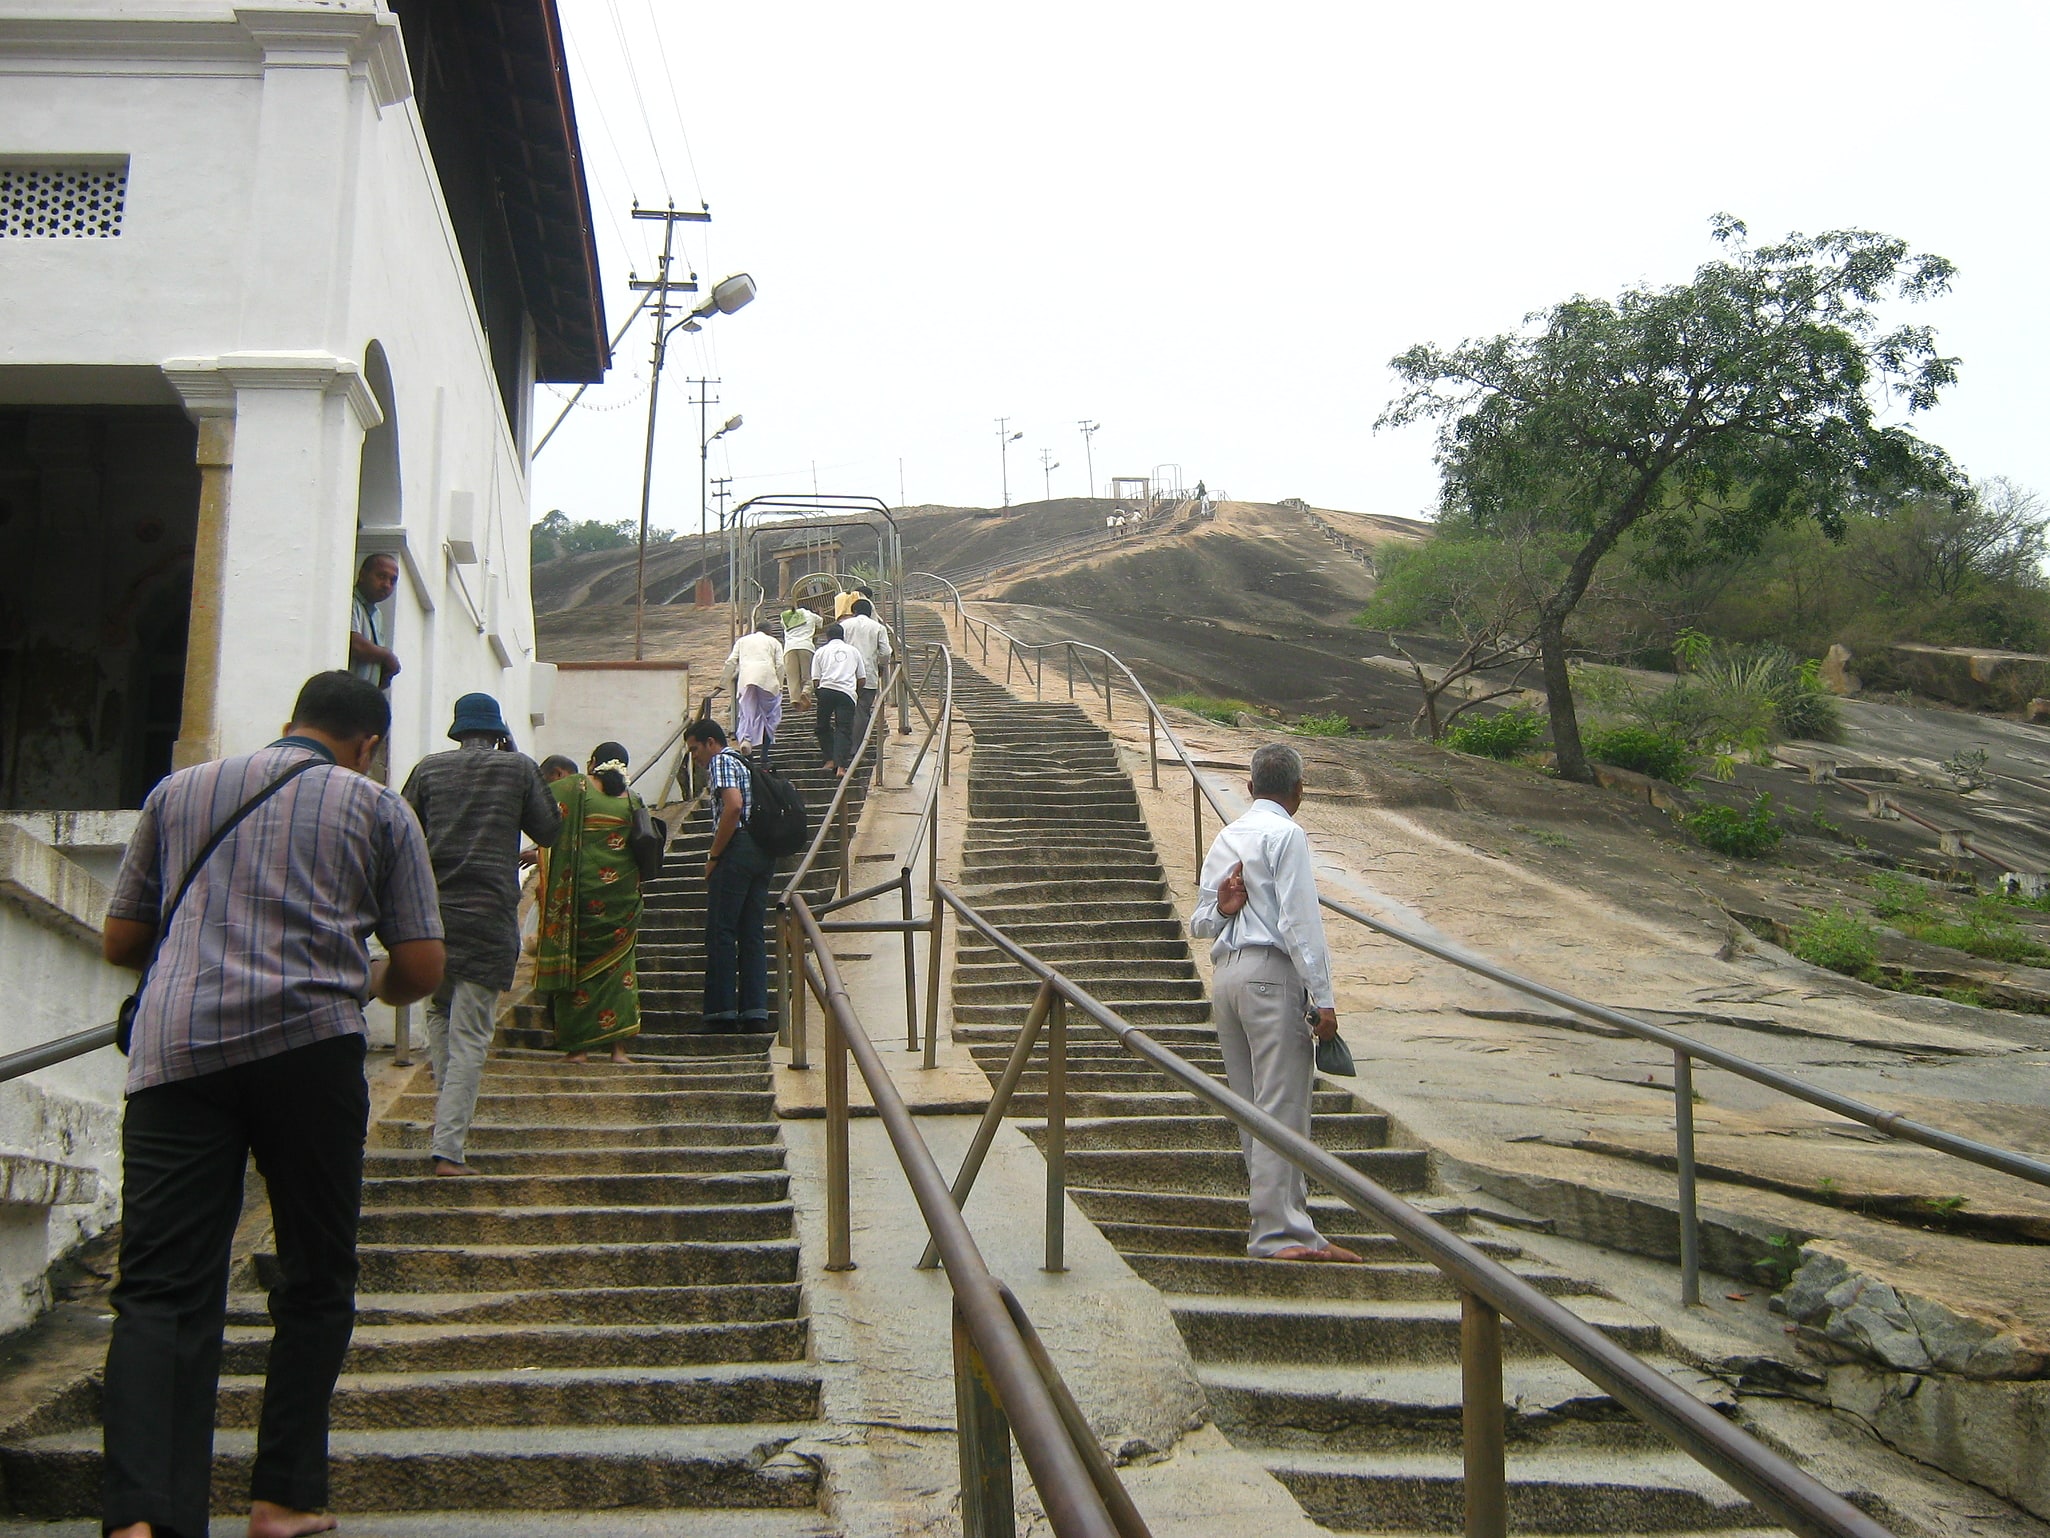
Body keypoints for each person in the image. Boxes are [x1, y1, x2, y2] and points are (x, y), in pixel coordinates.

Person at [98, 670, 446, 1538]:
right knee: (315, 1276)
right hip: (309, 1051)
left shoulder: (180, 792)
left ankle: (144, 1516)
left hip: (176, 1053)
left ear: (289, 721)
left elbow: (121, 940)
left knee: (159, 1289)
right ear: (368, 744)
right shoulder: (376, 808)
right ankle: (283, 1499)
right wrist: (356, 974)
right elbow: (423, 968)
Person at [1189, 743, 1363, 1265]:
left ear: (1249, 787)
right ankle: (1280, 1232)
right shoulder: (1287, 834)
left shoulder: (1227, 834)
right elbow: (1298, 923)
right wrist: (1325, 998)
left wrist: (1224, 907)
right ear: (1298, 790)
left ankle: (1281, 1225)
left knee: (1250, 1108)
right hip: (1271, 976)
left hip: (1227, 978)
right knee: (1283, 1105)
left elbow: (1201, 922)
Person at [400, 694, 562, 1178]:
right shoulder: (517, 769)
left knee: (440, 1012)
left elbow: (403, 828)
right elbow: (549, 830)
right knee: (472, 1033)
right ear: (498, 731)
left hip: (433, 916)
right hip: (488, 917)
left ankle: (447, 1123)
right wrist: (513, 755)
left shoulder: (428, 771)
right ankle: (449, 1149)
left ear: (457, 730)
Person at [535, 742, 644, 1064]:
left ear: (593, 763)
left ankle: (578, 1050)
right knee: (620, 969)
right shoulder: (634, 799)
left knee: (578, 969)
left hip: (583, 897)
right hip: (622, 899)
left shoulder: (576, 787)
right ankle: (618, 1051)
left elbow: (543, 817)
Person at [684, 719, 774, 1032]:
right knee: (752, 932)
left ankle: (721, 1013)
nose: (695, 757)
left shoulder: (721, 761)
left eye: (695, 749)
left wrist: (714, 855)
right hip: (762, 850)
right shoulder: (744, 762)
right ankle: (755, 1012)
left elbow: (733, 807)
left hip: (737, 849)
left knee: (721, 931)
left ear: (711, 742)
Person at [722, 619, 786, 758]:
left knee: (747, 713)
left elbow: (731, 661)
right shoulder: (774, 642)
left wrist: (723, 682)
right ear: (769, 631)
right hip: (767, 680)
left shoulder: (742, 641)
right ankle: (764, 755)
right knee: (770, 716)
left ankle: (746, 740)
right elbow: (780, 665)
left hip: (746, 680)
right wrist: (779, 685)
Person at [838, 597, 893, 754]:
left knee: (844, 709)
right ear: (870, 613)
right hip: (868, 675)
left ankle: (842, 746)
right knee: (862, 710)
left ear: (854, 612)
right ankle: (857, 747)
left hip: (844, 674)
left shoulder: (844, 625)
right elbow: (885, 652)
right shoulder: (878, 628)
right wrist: (881, 665)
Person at [810, 622, 861, 778]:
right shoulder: (853, 651)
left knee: (822, 726)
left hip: (826, 690)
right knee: (843, 729)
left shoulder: (820, 651)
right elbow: (862, 678)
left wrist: (820, 694)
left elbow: (816, 680)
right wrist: (853, 692)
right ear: (843, 636)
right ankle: (841, 766)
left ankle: (830, 759)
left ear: (827, 636)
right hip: (846, 693)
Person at [348, 553, 401, 687]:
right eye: (382, 576)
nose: (387, 585)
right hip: (345, 693)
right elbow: (356, 645)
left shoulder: (377, 616)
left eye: (393, 580)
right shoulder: (349, 601)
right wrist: (387, 656)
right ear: (362, 575)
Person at [781, 600, 821, 703]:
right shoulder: (810, 615)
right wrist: (820, 613)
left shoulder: (786, 616)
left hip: (789, 648)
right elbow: (821, 624)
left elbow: (784, 626)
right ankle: (806, 691)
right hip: (806, 647)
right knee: (807, 676)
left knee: (792, 679)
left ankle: (795, 700)